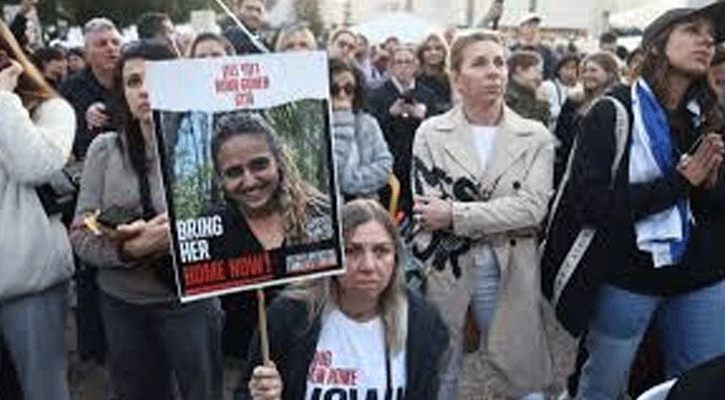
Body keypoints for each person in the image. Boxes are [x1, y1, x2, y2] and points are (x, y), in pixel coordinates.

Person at [567, 3, 725, 399]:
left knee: (699, 388)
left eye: (711, 36)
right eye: (692, 31)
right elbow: (590, 205)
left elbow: (712, 206)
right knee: (602, 388)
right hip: (629, 278)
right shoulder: (613, 110)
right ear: (656, 45)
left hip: (702, 279)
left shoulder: (709, 117)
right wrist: (679, 183)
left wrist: (710, 187)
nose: (706, 41)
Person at [69, 40, 224, 400]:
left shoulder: (207, 145)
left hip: (191, 301)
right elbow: (81, 229)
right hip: (122, 304)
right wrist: (129, 248)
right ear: (122, 92)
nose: (144, 90)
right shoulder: (104, 150)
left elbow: (234, 221)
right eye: (133, 81)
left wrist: (179, 234)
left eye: (155, 78)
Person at [411, 31, 555, 400]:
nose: (494, 71)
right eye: (479, 63)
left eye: (500, 62)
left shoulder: (535, 136)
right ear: (457, 78)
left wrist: (455, 213)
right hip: (447, 268)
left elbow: (533, 209)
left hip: (510, 266)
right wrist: (499, 214)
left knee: (523, 375)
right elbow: (428, 211)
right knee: (440, 372)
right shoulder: (430, 132)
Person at [236, 199, 449, 400]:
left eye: (381, 251)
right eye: (352, 251)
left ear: (396, 257)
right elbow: (245, 393)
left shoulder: (422, 321)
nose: (368, 266)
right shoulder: (289, 316)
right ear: (332, 256)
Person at [0, 19, 76, 400]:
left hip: (29, 283)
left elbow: (34, 165)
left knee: (42, 391)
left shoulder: (52, 109)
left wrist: (3, 100)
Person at [369, 45, 436, 218]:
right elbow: (370, 130)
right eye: (399, 62)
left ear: (416, 66)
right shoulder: (377, 94)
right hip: (390, 162)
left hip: (419, 162)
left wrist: (423, 117)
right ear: (391, 67)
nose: (404, 66)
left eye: (408, 62)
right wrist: (390, 114)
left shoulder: (427, 94)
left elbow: (438, 129)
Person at [553, 51, 620, 186]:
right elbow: (561, 134)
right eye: (584, 71)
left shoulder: (616, 103)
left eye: (593, 70)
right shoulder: (574, 102)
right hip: (572, 171)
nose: (587, 75)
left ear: (610, 73)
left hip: (603, 176)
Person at [329, 57, 393, 199]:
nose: (342, 95)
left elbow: (384, 165)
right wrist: (341, 120)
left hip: (364, 201)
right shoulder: (314, 126)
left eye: (348, 89)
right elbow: (329, 175)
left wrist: (352, 182)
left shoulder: (367, 123)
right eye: (334, 89)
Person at [505, 50, 550, 125]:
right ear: (520, 69)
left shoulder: (528, 90)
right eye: (536, 70)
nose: (539, 77)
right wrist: (541, 104)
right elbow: (526, 125)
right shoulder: (509, 95)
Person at [540, 52, 580, 130]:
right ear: (558, 70)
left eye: (573, 68)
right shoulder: (547, 86)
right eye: (566, 68)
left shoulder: (581, 89)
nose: (569, 72)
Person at [511, 13, 556, 80]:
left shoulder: (546, 52)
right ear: (521, 29)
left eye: (535, 25)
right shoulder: (513, 50)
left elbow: (550, 75)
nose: (532, 29)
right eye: (529, 25)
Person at [416, 33, 453, 114]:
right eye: (428, 49)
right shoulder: (415, 79)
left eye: (438, 49)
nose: (433, 53)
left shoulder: (450, 79)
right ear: (421, 53)